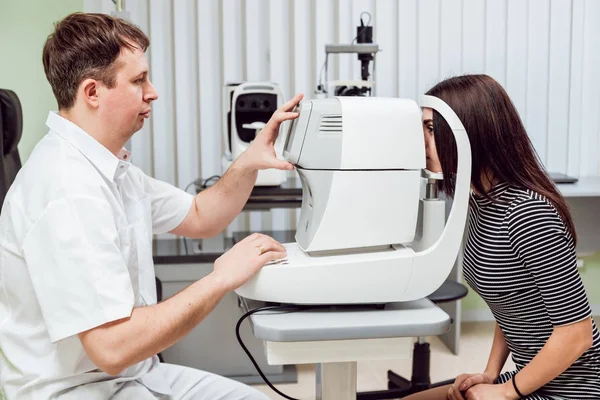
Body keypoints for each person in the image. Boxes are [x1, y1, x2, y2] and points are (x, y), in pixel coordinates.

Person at [0, 12, 303, 399]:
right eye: (138, 80)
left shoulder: (108, 167)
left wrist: (249, 161)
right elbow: (112, 347)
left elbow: (200, 215)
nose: (153, 92)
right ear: (92, 92)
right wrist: (221, 277)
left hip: (134, 375)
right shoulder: (68, 189)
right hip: (75, 390)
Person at [405, 74, 600, 400]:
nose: (422, 141)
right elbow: (513, 302)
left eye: (430, 128)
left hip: (572, 391)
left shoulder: (527, 213)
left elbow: (576, 334)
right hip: (530, 377)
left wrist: (507, 391)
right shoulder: (480, 200)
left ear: (471, 132)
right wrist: (491, 373)